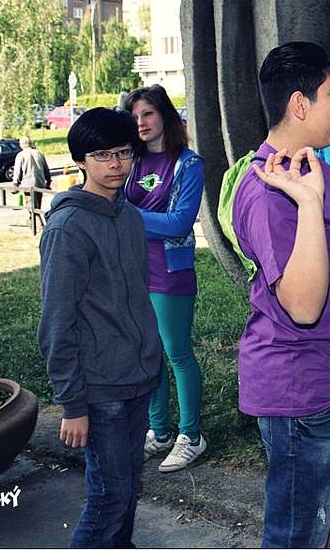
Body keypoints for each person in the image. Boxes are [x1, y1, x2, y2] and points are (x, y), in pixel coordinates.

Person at [231, 42, 330, 548]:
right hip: (304, 396)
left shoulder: (311, 163)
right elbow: (304, 306)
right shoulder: (269, 191)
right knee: (297, 538)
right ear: (299, 104)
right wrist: (310, 206)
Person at [37, 107, 163, 548]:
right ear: (81, 160)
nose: (115, 165)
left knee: (128, 489)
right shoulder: (68, 228)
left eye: (123, 153)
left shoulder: (129, 217)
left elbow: (137, 297)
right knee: (109, 498)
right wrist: (73, 405)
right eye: (102, 155)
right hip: (100, 387)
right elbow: (57, 322)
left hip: (139, 378)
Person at [122, 85, 207, 473]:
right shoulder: (131, 161)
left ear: (165, 116)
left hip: (171, 272)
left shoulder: (188, 164)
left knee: (177, 352)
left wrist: (127, 216)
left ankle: (191, 436)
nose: (141, 122)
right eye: (135, 116)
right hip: (135, 269)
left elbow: (179, 223)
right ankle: (158, 432)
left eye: (148, 114)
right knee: (149, 353)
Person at [12, 135, 52, 210]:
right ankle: (35, 216)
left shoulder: (20, 155)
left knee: (31, 206)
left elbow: (17, 171)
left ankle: (35, 217)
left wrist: (15, 184)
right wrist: (48, 181)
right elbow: (46, 169)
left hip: (27, 184)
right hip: (39, 183)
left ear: (22, 144)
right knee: (38, 205)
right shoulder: (39, 153)